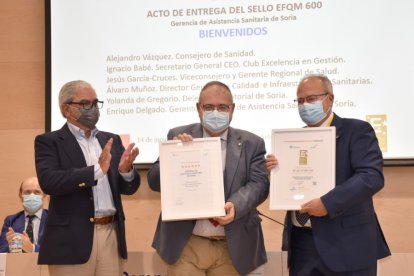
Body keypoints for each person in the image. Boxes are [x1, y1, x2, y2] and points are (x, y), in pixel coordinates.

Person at [266, 74, 391, 275]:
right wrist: (276, 171)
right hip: (301, 246)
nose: (305, 105)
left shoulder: (356, 130)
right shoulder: (291, 141)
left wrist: (328, 202)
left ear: (330, 99)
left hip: (347, 244)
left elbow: (371, 176)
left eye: (312, 99)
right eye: (300, 101)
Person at [147, 80, 270, 276]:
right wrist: (176, 155)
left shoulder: (252, 143)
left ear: (232, 109)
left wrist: (235, 205)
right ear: (198, 109)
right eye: (208, 107)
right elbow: (154, 182)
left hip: (233, 247)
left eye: (222, 107)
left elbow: (259, 184)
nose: (215, 112)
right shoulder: (178, 135)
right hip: (186, 244)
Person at [34, 80, 140, 276]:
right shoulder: (49, 142)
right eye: (84, 104)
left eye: (95, 102)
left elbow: (128, 188)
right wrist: (95, 171)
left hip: (111, 233)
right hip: (71, 241)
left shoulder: (111, 139)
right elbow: (49, 181)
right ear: (66, 109)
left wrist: (126, 172)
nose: (92, 109)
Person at [0, 176, 48, 253]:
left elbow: (60, 250)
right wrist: (12, 246)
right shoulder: (11, 221)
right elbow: (1, 252)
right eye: (27, 192)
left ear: (44, 195)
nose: (32, 196)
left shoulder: (54, 219)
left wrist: (33, 248)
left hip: (44, 264)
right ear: (20, 195)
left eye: (37, 192)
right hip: (18, 264)